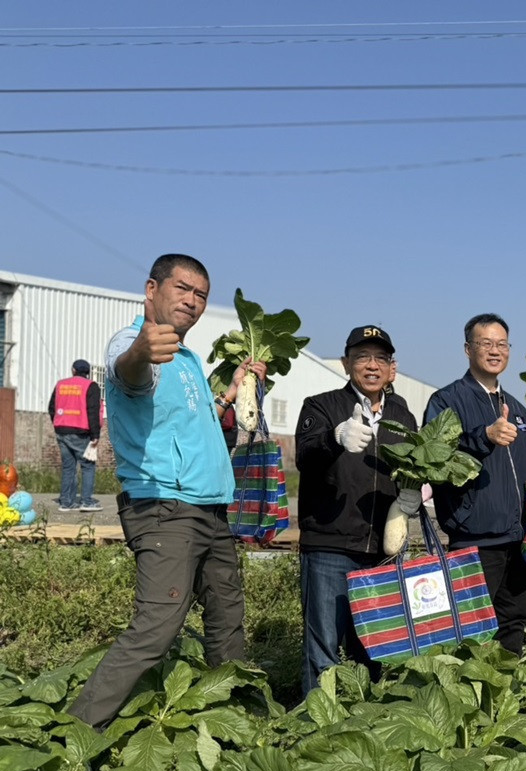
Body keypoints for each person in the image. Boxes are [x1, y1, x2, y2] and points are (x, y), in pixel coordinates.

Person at [69, 254, 260, 728]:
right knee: (156, 628)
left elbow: (191, 423)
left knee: (226, 619)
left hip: (210, 507)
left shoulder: (189, 359)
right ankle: (74, 734)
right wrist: (141, 350)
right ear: (152, 289)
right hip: (166, 507)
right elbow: (128, 372)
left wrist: (231, 395)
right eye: (183, 289)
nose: (192, 301)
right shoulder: (137, 343)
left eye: (201, 295)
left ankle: (233, 721)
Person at [424, 314, 526, 656]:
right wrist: (481, 437)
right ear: (468, 349)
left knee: (513, 622)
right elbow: (433, 456)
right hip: (475, 537)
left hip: (519, 539)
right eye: (486, 343)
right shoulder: (447, 401)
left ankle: (505, 700)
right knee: (470, 629)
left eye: (502, 344)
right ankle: (469, 705)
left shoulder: (515, 407)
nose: (494, 350)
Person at [295, 325, 418, 694]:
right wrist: (335, 439)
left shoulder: (403, 414)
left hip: (383, 551)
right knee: (323, 651)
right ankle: (315, 730)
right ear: (346, 362)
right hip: (330, 546)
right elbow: (305, 456)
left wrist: (414, 494)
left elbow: (415, 467)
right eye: (362, 356)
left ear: (391, 367)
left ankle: (367, 726)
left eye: (380, 357)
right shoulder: (321, 405)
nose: (371, 365)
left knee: (377, 647)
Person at [49, 359, 103, 512]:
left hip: (61, 430)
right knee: (87, 465)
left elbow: (51, 407)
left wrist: (58, 422)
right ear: (88, 372)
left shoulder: (60, 384)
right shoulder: (90, 386)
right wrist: (95, 435)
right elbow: (93, 411)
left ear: (73, 370)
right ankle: (86, 501)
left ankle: (66, 502)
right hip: (81, 432)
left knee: (68, 467)